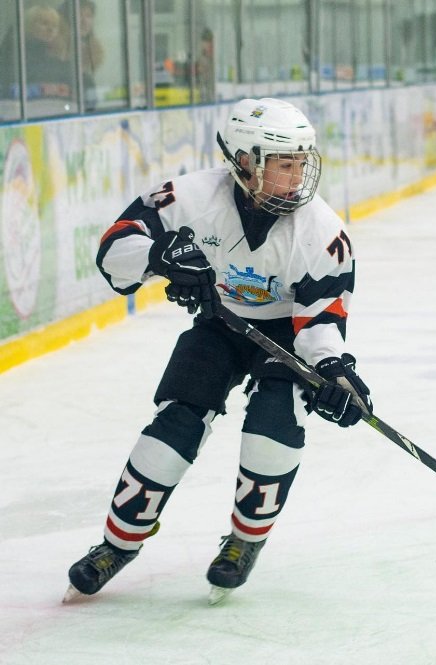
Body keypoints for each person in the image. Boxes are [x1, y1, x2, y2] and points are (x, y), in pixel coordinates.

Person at [64, 98, 372, 605]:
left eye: (301, 163)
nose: (297, 178)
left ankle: (244, 543)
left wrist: (333, 371)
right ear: (245, 161)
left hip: (284, 337)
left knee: (273, 427)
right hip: (219, 326)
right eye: (284, 165)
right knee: (174, 426)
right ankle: (116, 546)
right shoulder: (187, 196)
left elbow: (320, 320)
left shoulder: (322, 232)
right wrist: (159, 254)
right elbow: (113, 249)